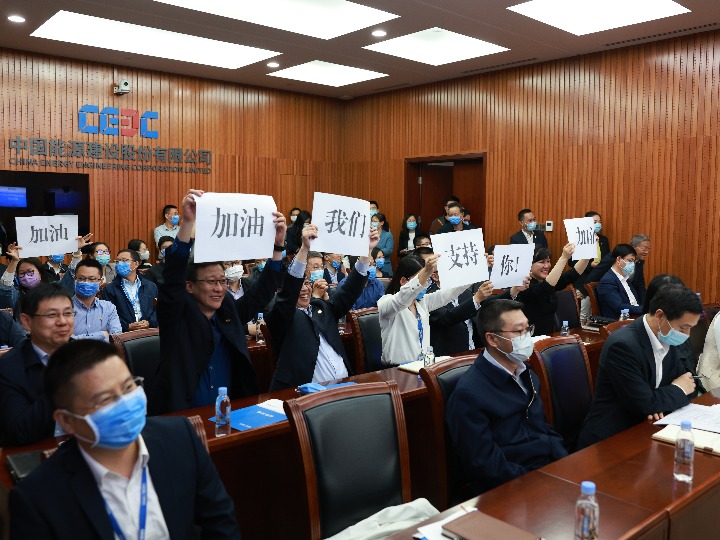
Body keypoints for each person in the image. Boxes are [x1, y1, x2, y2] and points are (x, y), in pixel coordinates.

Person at [9, 339, 241, 539]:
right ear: (66, 420)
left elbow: (220, 521)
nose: (124, 402)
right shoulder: (37, 498)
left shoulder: (180, 438)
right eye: (104, 399)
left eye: (129, 387)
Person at [151, 189, 287, 414]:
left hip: (228, 414)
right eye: (211, 282)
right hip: (182, 417)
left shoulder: (227, 312)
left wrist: (277, 247)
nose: (219, 288)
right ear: (189, 286)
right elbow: (173, 274)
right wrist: (188, 222)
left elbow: (261, 294)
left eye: (222, 281)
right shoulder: (175, 315)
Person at [446, 299, 567, 495]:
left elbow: (543, 428)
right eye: (519, 331)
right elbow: (485, 465)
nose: (526, 337)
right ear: (492, 339)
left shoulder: (527, 373)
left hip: (546, 472)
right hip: (510, 488)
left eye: (528, 329)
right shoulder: (469, 394)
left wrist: (565, 463)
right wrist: (537, 482)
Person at [577, 285, 702, 449]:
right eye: (683, 327)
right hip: (611, 439)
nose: (687, 335)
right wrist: (674, 391)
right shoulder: (623, 346)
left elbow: (690, 386)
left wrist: (659, 402)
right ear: (659, 316)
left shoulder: (669, 337)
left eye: (691, 328)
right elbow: (646, 404)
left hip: (650, 428)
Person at [266, 224, 378, 390]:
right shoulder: (281, 317)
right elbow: (288, 295)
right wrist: (304, 248)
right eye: (298, 286)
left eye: (306, 283)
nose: (304, 289)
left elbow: (349, 291)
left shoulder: (321, 307)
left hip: (344, 386)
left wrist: (366, 252)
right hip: (305, 395)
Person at [0, 283, 73, 446]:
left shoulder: (86, 355)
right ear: (27, 321)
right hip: (38, 452)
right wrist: (61, 382)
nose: (63, 322)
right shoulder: (8, 368)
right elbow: (18, 433)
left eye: (68, 313)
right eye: (51, 315)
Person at [377, 254, 469, 365]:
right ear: (404, 281)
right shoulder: (387, 303)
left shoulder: (422, 302)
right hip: (397, 369)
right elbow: (402, 298)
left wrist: (475, 272)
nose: (424, 285)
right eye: (422, 279)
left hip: (423, 365)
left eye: (427, 279)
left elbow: (448, 294)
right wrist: (426, 270)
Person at [416, 248, 495, 355]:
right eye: (449, 271)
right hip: (448, 356)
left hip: (473, 351)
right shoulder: (428, 297)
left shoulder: (464, 293)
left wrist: (512, 292)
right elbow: (448, 317)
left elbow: (487, 303)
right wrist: (476, 298)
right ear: (435, 276)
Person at [502, 244, 589, 336]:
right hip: (529, 338)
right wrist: (563, 258)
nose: (547, 266)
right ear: (528, 265)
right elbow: (545, 287)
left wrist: (588, 253)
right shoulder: (523, 286)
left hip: (549, 337)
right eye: (541, 262)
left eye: (548, 261)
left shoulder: (548, 281)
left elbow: (573, 273)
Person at [583, 233, 650, 307]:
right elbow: (596, 273)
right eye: (644, 248)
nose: (646, 252)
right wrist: (583, 290)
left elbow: (640, 285)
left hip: (626, 299)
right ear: (633, 247)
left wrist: (644, 307)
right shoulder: (614, 257)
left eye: (648, 249)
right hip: (609, 296)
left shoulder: (640, 261)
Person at [101, 249, 158, 332]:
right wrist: (126, 326)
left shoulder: (150, 286)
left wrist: (149, 322)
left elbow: (158, 309)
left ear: (136, 264)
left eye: (124, 260)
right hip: (123, 334)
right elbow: (107, 315)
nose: (120, 264)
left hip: (149, 332)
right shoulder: (109, 289)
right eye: (117, 261)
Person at [72, 259, 122, 342]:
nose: (86, 282)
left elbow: (116, 339)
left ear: (101, 281)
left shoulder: (108, 308)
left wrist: (78, 339)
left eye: (92, 279)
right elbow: (66, 341)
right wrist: (102, 335)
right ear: (75, 280)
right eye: (81, 278)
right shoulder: (64, 308)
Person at [0, 244, 55, 319]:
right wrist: (14, 261)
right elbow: (5, 287)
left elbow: (68, 279)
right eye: (22, 273)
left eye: (30, 272)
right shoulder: (17, 296)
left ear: (40, 273)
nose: (26, 277)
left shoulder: (53, 290)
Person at [596, 244, 644, 318]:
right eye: (630, 261)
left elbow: (634, 301)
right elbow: (619, 307)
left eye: (633, 262)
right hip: (620, 320)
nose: (632, 265)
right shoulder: (607, 281)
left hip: (634, 316)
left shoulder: (625, 279)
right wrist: (644, 309)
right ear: (618, 259)